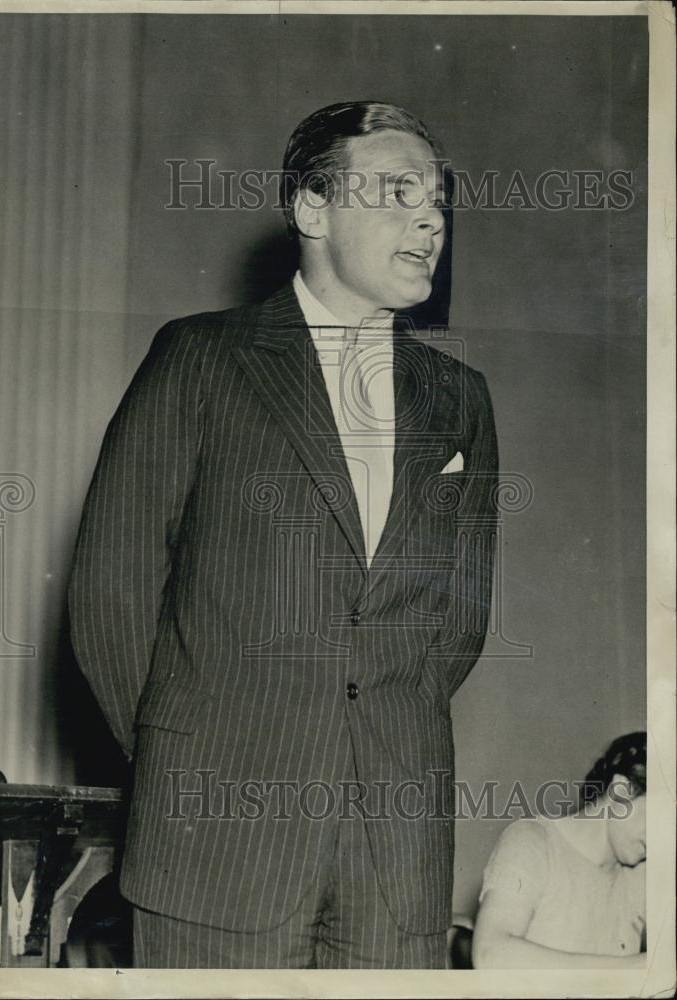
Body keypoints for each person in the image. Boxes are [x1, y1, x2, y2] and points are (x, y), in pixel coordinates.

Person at [68, 100, 499, 969]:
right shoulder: (201, 358)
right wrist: (189, 747)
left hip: (397, 851)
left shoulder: (460, 397)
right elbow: (109, 596)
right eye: (398, 191)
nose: (429, 218)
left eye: (440, 201)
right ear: (312, 209)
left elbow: (458, 620)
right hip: (216, 833)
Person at [472, 732, 647, 969]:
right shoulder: (532, 841)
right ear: (621, 791)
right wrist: (629, 971)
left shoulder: (639, 873)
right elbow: (490, 954)